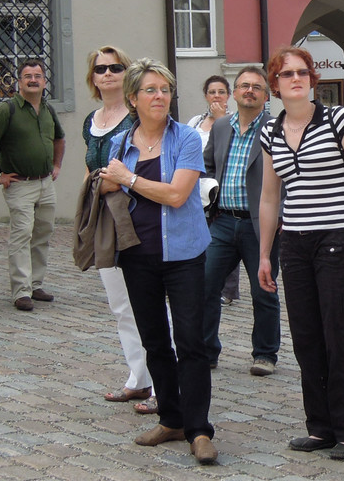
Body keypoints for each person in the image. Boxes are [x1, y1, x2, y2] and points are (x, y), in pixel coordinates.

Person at [257, 46, 344, 461]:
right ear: (275, 83)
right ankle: (321, 426)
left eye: (303, 72)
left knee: (338, 334)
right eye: (287, 73)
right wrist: (263, 255)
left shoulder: (338, 119)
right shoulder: (269, 132)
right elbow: (270, 198)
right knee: (306, 338)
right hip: (294, 244)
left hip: (337, 239)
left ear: (312, 79)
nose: (296, 79)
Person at [99, 59, 217, 465]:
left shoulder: (185, 138)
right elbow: (104, 183)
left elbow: (177, 195)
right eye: (150, 90)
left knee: (191, 342)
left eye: (165, 89)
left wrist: (129, 179)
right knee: (154, 340)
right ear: (133, 98)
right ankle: (171, 418)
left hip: (184, 253)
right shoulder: (120, 143)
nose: (159, 96)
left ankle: (200, 430)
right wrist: (111, 179)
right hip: (137, 254)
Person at [81, 46, 157, 410]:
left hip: (136, 213)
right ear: (92, 77)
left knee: (150, 302)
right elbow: (90, 169)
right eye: (100, 69)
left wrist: (110, 181)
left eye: (115, 67)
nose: (107, 73)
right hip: (104, 215)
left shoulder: (136, 117)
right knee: (120, 304)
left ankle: (162, 382)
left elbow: (140, 168)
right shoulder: (91, 121)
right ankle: (138, 377)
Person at [201, 66, 281, 376]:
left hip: (259, 225)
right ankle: (206, 351)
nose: (249, 91)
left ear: (265, 95)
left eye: (256, 87)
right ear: (234, 93)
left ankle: (265, 354)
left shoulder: (276, 129)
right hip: (221, 222)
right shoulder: (221, 126)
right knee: (206, 286)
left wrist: (280, 217)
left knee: (264, 290)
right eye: (243, 86)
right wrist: (208, 193)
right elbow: (207, 165)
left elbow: (288, 177)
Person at [0, 59, 64, 311]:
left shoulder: (48, 110)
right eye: (28, 76)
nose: (33, 80)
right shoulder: (7, 110)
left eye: (38, 76)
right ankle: (21, 291)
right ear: (19, 81)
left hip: (45, 184)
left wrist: (57, 165)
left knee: (42, 234)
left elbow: (59, 139)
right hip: (20, 185)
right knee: (22, 235)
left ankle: (35, 284)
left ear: (44, 82)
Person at [188, 75, 239, 305]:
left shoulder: (233, 121)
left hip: (219, 185)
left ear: (228, 95)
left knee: (222, 234)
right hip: (194, 184)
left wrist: (222, 120)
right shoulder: (195, 122)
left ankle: (227, 289)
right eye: (212, 92)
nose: (216, 96)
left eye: (221, 91)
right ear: (206, 95)